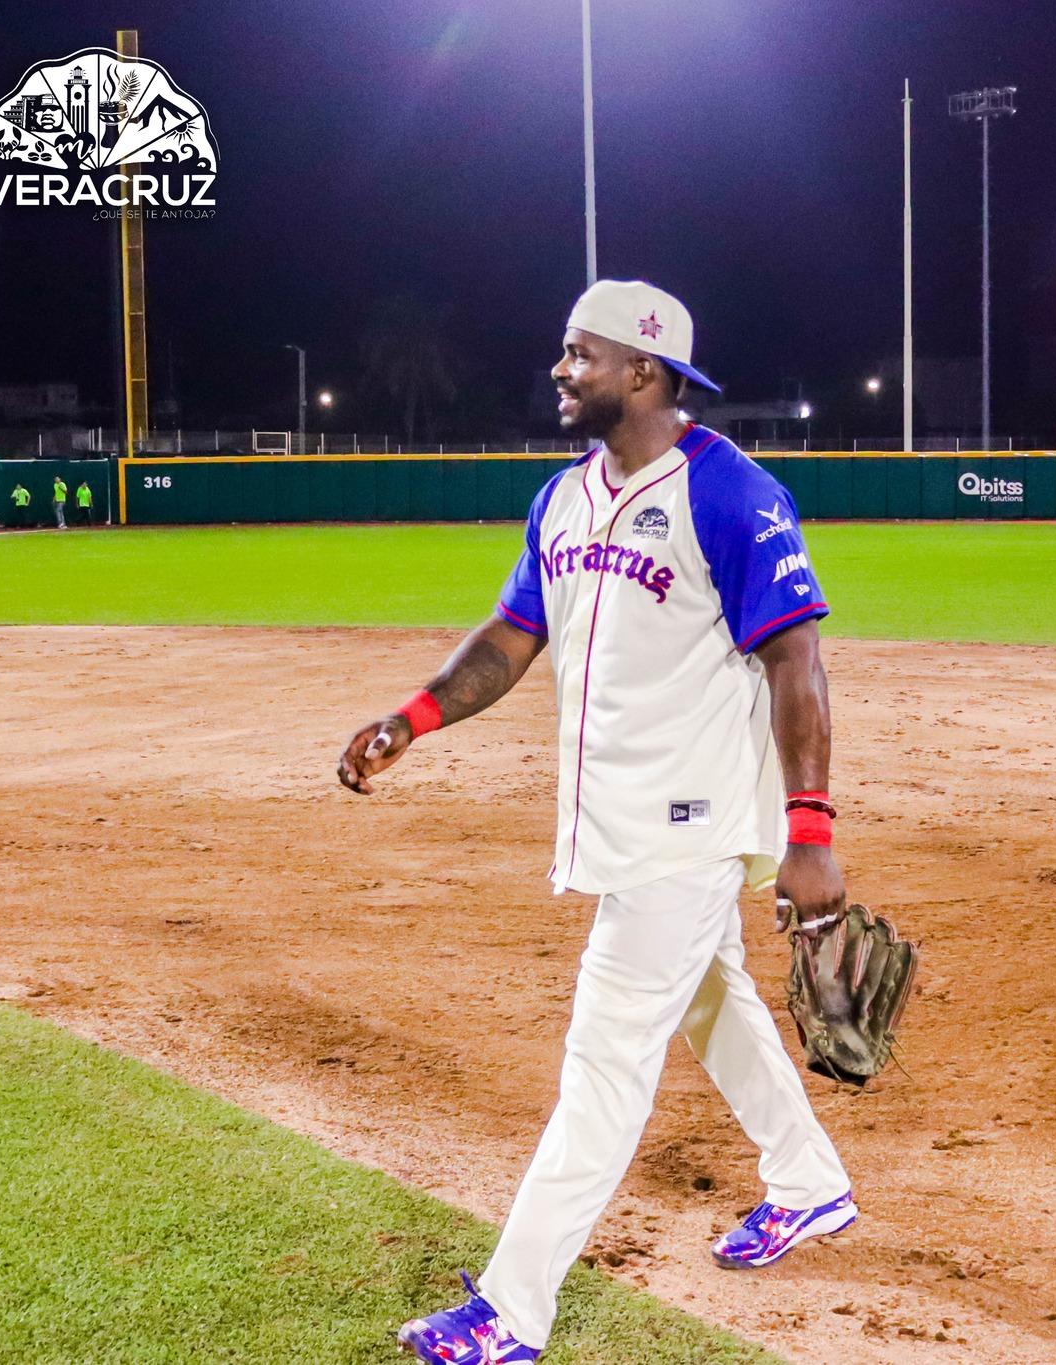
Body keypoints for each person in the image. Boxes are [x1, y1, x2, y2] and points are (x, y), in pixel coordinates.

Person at [348, 280, 857, 1365]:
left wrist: (808, 830)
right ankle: (809, 1182)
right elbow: (511, 633)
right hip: (620, 821)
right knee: (714, 1002)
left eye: (577, 354)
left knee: (605, 1061)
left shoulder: (732, 495)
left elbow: (797, 665)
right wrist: (416, 716)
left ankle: (509, 1310)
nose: (557, 370)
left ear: (643, 370)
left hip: (688, 824)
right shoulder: (564, 498)